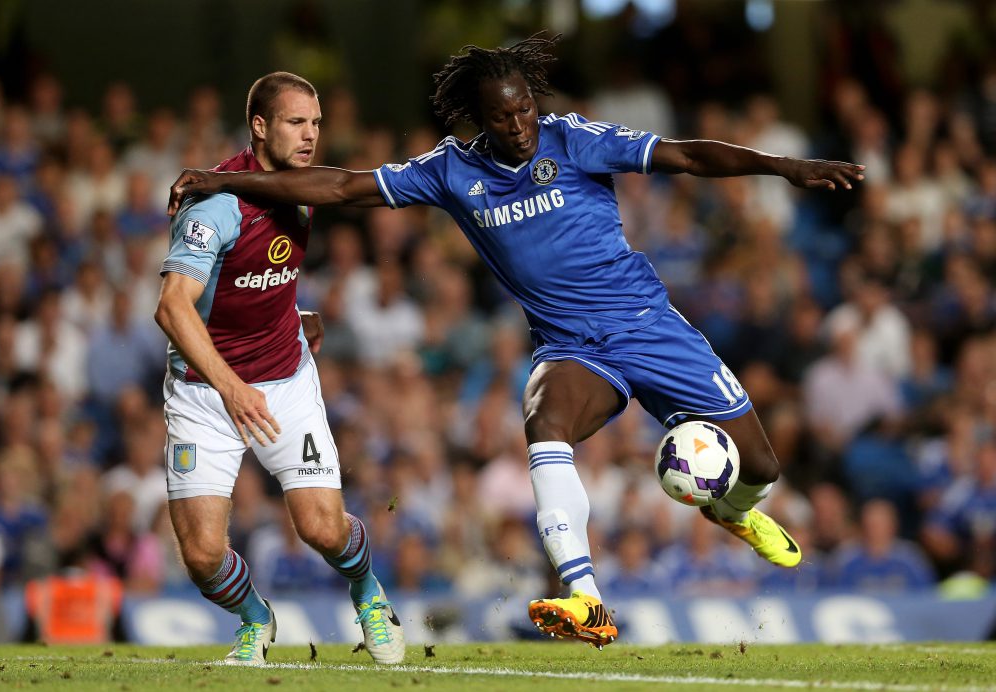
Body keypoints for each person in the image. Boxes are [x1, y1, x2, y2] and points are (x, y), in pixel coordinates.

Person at [168, 36, 864, 649]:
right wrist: (224, 181)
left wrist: (785, 167)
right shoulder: (451, 171)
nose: (521, 124)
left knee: (762, 467)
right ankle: (583, 596)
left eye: (526, 107)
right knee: (544, 420)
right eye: (503, 115)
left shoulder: (574, 139)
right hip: (573, 347)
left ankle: (731, 510)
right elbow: (343, 187)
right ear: (479, 118)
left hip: (651, 326)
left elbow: (684, 155)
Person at [155, 72, 404, 666]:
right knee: (201, 555)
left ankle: (369, 594)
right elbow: (172, 306)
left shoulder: (302, 185)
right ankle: (255, 618)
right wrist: (232, 387)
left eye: (316, 123)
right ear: (261, 127)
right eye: (297, 122)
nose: (311, 134)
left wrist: (294, 312)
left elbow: (254, 278)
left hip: (286, 378)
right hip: (205, 393)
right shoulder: (214, 207)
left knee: (322, 529)